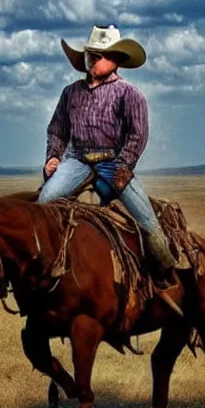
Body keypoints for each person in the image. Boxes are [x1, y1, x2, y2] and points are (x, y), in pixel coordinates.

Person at [39, 24, 176, 276]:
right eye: (91, 53)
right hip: (77, 161)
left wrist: (123, 167)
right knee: (44, 204)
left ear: (116, 60)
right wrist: (54, 157)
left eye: (101, 55)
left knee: (146, 220)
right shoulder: (70, 93)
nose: (94, 59)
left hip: (113, 162)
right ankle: (48, 266)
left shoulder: (129, 94)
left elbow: (137, 135)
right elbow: (57, 130)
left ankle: (168, 273)